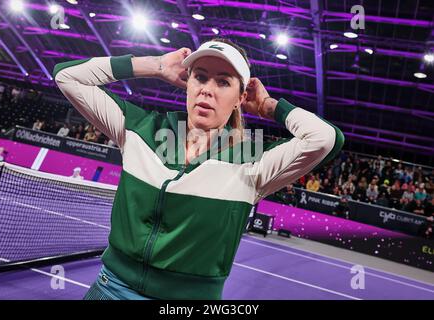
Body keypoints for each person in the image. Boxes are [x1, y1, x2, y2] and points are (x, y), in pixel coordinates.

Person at [54, 38, 344, 300]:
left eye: (223, 82)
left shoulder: (253, 162)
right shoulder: (141, 128)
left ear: (241, 98)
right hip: (111, 289)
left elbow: (325, 138)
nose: (207, 90)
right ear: (188, 82)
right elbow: (67, 76)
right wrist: (155, 66)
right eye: (200, 77)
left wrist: (269, 106)